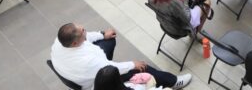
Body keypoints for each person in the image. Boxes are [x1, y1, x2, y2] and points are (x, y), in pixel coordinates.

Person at [50, 23, 191, 90]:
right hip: (94, 82)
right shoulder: (88, 63)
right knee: (142, 68)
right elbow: (111, 68)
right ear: (75, 43)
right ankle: (173, 81)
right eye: (82, 32)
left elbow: (86, 37)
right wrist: (133, 64)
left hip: (78, 73)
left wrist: (101, 34)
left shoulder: (60, 41)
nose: (84, 30)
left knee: (109, 40)